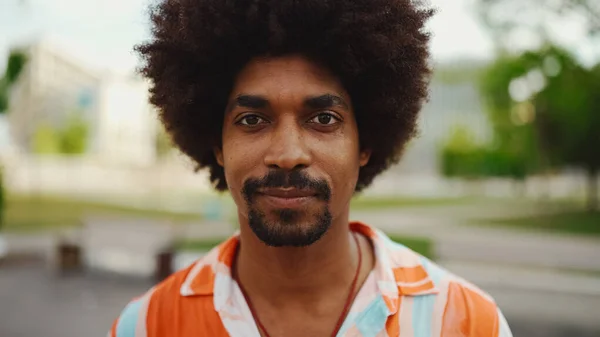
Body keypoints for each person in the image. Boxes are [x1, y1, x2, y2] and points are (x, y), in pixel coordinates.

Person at [109, 0, 513, 336]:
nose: (288, 154)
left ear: (365, 143)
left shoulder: (468, 322)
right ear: (218, 145)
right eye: (252, 120)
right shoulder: (146, 326)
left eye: (323, 120)